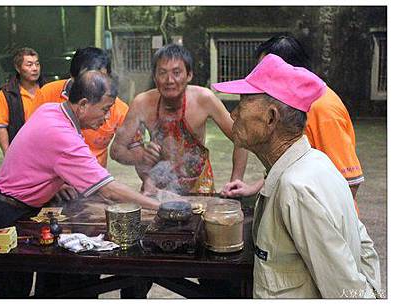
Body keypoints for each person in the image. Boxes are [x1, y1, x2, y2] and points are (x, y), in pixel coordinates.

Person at [213, 54, 381, 298]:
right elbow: (365, 249)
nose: (233, 114)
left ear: (271, 118)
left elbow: (345, 293)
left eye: (243, 103)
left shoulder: (296, 189)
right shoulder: (317, 162)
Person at [0, 70, 160, 298]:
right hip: (7, 216)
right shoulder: (62, 135)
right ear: (83, 104)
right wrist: (158, 206)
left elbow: (37, 157)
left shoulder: (51, 110)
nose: (106, 118)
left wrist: (57, 181)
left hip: (14, 207)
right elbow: (109, 190)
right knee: (8, 293)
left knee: (31, 285)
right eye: (105, 109)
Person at [222, 36, 364, 208]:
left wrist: (304, 212)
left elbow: (349, 184)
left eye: (267, 70)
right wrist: (254, 189)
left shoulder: (323, 108)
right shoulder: (289, 105)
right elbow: (288, 163)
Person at [110, 43, 248, 195]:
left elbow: (241, 138)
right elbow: (117, 150)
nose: (169, 80)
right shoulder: (142, 103)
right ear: (155, 77)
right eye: (162, 73)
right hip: (158, 187)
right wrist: (141, 157)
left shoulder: (205, 99)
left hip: (199, 187)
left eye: (176, 72)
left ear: (189, 75)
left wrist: (236, 181)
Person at [40, 47, 129, 168]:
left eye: (101, 79)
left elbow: (133, 145)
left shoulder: (117, 107)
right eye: (88, 78)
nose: (95, 86)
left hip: (93, 180)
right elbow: (34, 143)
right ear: (73, 76)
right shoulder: (47, 94)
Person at [0, 47, 45, 155]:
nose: (35, 68)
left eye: (37, 64)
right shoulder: (7, 94)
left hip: (47, 149)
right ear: (18, 68)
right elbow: (2, 127)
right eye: (29, 65)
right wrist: (7, 154)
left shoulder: (48, 89)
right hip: (21, 152)